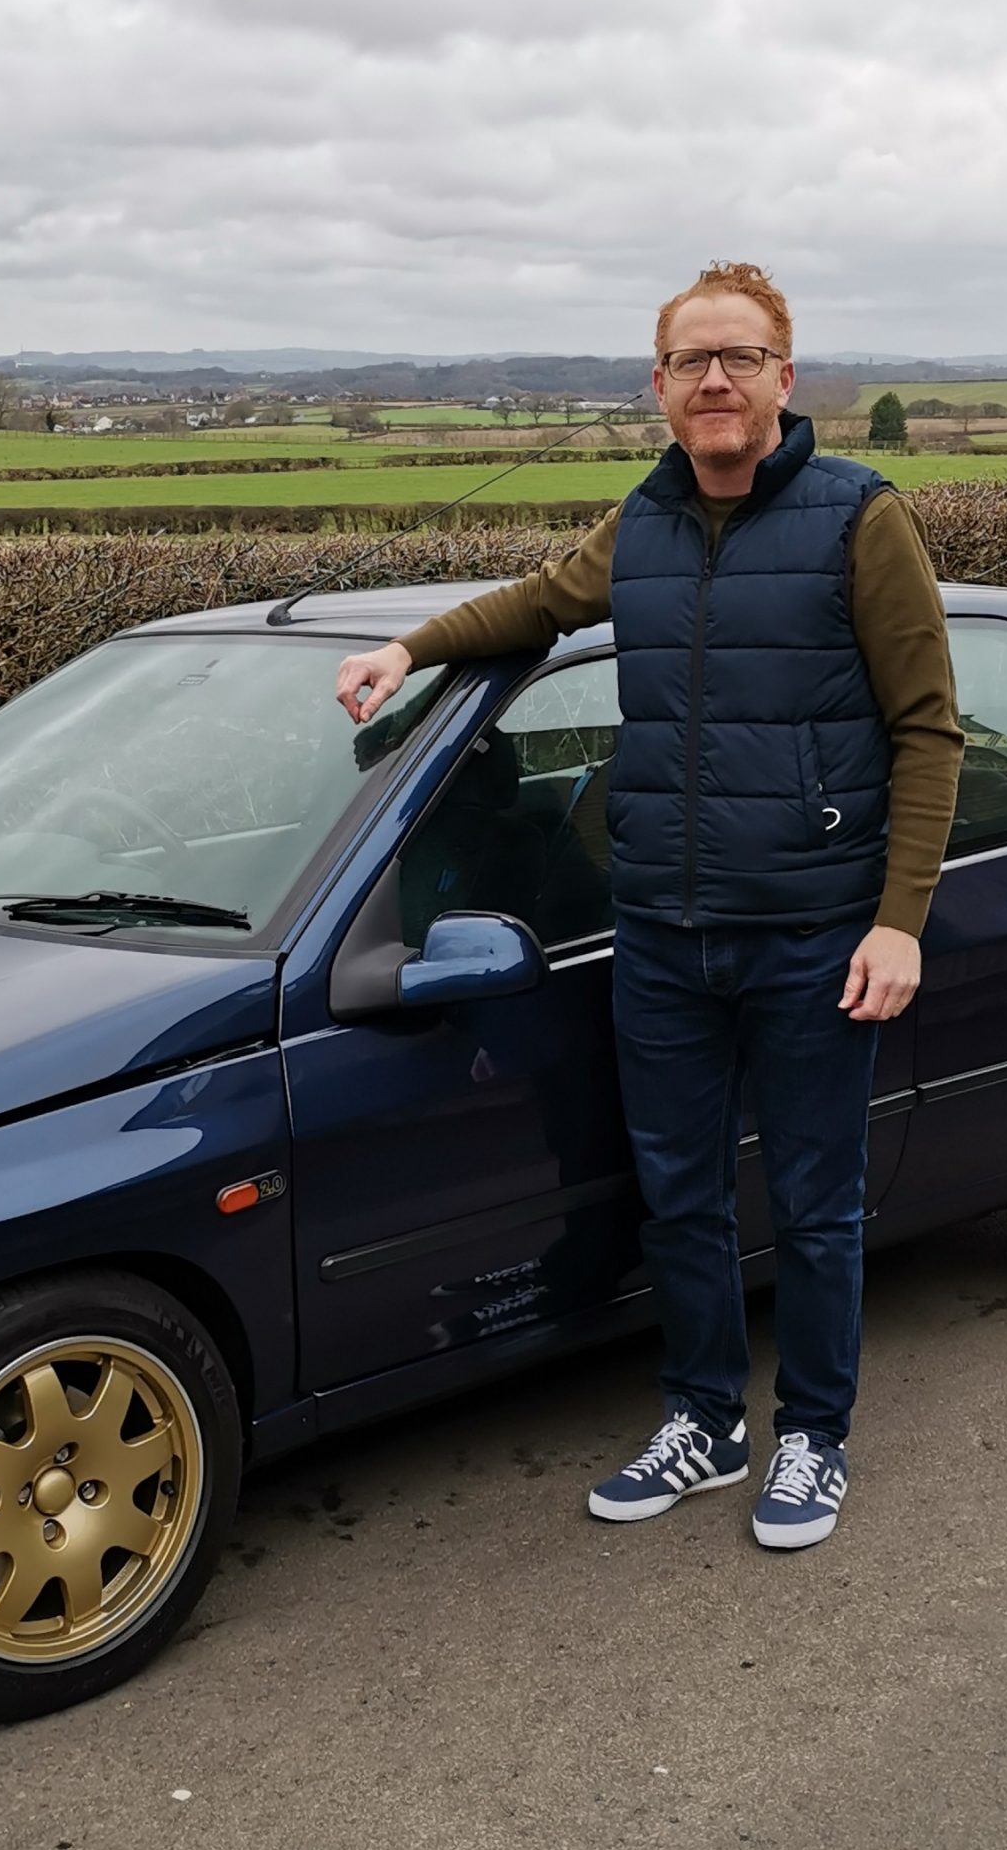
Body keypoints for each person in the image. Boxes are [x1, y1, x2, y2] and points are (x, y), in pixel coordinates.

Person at [333, 261, 963, 1550]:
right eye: (691, 364)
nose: (715, 382)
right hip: (663, 938)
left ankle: (814, 1439)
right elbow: (539, 603)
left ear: (785, 379)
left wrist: (898, 919)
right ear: (661, 389)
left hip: (811, 935)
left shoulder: (863, 520)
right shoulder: (646, 522)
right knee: (676, 1195)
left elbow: (930, 731)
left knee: (815, 1200)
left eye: (738, 359)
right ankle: (705, 1422)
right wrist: (410, 648)